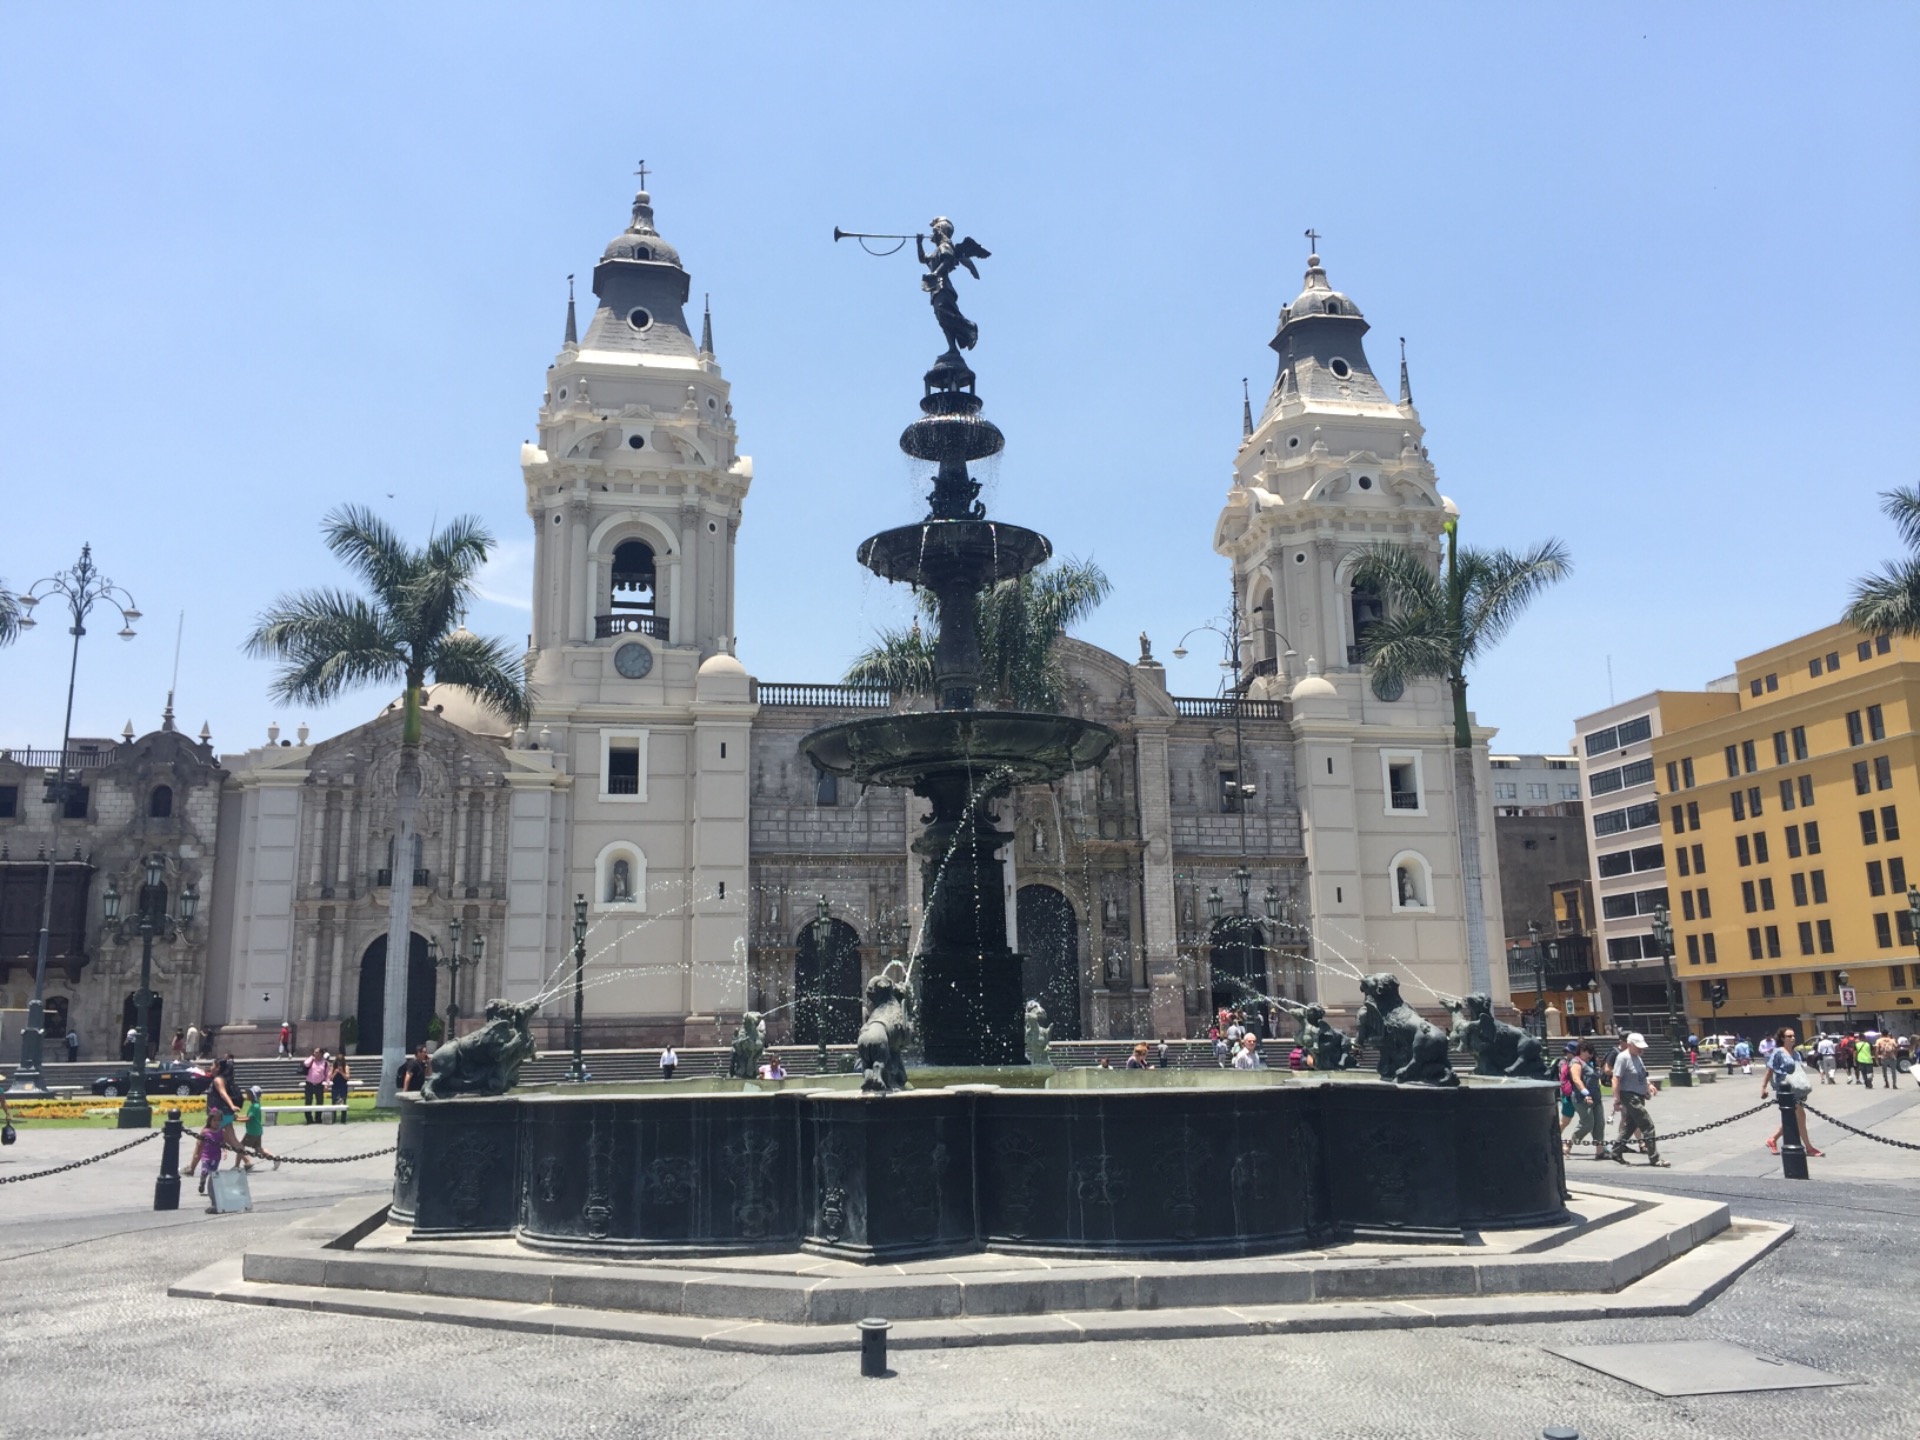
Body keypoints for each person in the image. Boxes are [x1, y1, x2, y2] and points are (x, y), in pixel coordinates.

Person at [1607, 1033, 1667, 1167]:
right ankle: (1654, 1158)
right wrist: (1616, 1099)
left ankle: (1616, 1151)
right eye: (1638, 1047)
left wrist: (1649, 1085)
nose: (1641, 1049)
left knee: (1630, 1126)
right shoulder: (1623, 1058)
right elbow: (1616, 1078)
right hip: (1630, 1096)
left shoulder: (1637, 1058)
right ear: (1630, 1045)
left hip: (1639, 1096)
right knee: (1647, 1124)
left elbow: (1642, 1074)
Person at [1763, 1026, 1823, 1157]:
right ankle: (1809, 1147)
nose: (1792, 1038)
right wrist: (1764, 1087)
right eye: (1789, 1036)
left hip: (1796, 1090)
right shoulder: (1778, 1052)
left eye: (1793, 1035)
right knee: (1799, 1117)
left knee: (1793, 1118)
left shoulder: (1796, 1053)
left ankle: (1772, 1139)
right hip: (1786, 1090)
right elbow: (1770, 1069)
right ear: (1782, 1038)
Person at [206, 1057, 251, 1168]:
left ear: (218, 1068)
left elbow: (223, 1094)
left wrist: (232, 1105)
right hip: (227, 1115)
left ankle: (192, 1168)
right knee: (233, 1141)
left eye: (213, 1065)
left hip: (218, 1116)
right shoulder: (227, 1079)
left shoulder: (218, 1080)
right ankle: (248, 1161)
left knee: (202, 1139)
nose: (211, 1067)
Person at [1567, 1039, 1606, 1160]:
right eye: (1589, 1052)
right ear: (1582, 1051)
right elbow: (1576, 1079)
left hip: (1596, 1098)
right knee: (1587, 1124)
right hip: (1582, 1099)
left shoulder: (1589, 1062)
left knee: (1599, 1123)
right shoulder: (1576, 1062)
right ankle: (1569, 1143)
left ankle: (1600, 1151)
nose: (1591, 1055)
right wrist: (1586, 1094)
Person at [238, 1086, 278, 1170]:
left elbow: (249, 1118)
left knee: (239, 1147)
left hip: (252, 1131)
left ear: (254, 1095)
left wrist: (236, 1119)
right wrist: (238, 1117)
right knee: (258, 1149)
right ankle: (275, 1158)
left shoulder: (254, 1106)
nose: (248, 1095)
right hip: (257, 1130)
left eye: (250, 1093)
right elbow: (248, 1116)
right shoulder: (256, 1105)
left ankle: (239, 1165)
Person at [191, 1114, 224, 1195]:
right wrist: (197, 1153)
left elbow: (224, 1143)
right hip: (206, 1155)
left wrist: (224, 1151)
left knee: (213, 1173)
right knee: (204, 1171)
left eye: (218, 1121)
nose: (217, 1123)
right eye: (214, 1120)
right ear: (210, 1121)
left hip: (216, 1155)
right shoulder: (205, 1131)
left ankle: (212, 1188)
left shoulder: (222, 1131)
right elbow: (199, 1143)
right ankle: (202, 1181)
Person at [1555, 1041, 1579, 1148]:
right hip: (1569, 1095)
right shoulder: (1566, 1063)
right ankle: (1553, 1139)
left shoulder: (1564, 1062)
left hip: (1569, 1094)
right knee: (1565, 1120)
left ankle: (1600, 1145)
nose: (1567, 1053)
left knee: (1588, 1120)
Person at [302, 1047, 329, 1123]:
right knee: (308, 1102)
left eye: (316, 1052)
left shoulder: (325, 1063)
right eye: (314, 1052)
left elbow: (327, 1075)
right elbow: (305, 1064)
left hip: (319, 1085)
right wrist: (311, 1057)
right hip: (309, 1084)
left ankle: (318, 1118)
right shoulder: (311, 1061)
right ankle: (309, 1119)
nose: (315, 1054)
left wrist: (326, 1084)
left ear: (321, 1053)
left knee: (319, 1102)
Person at [329, 1053, 351, 1120]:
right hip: (335, 1086)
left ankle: (343, 1119)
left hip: (343, 1086)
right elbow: (330, 1078)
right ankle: (333, 1118)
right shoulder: (333, 1067)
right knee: (334, 1102)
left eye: (341, 1061)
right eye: (338, 1061)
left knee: (343, 1101)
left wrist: (341, 1072)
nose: (339, 1063)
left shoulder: (346, 1067)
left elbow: (347, 1077)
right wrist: (335, 1072)